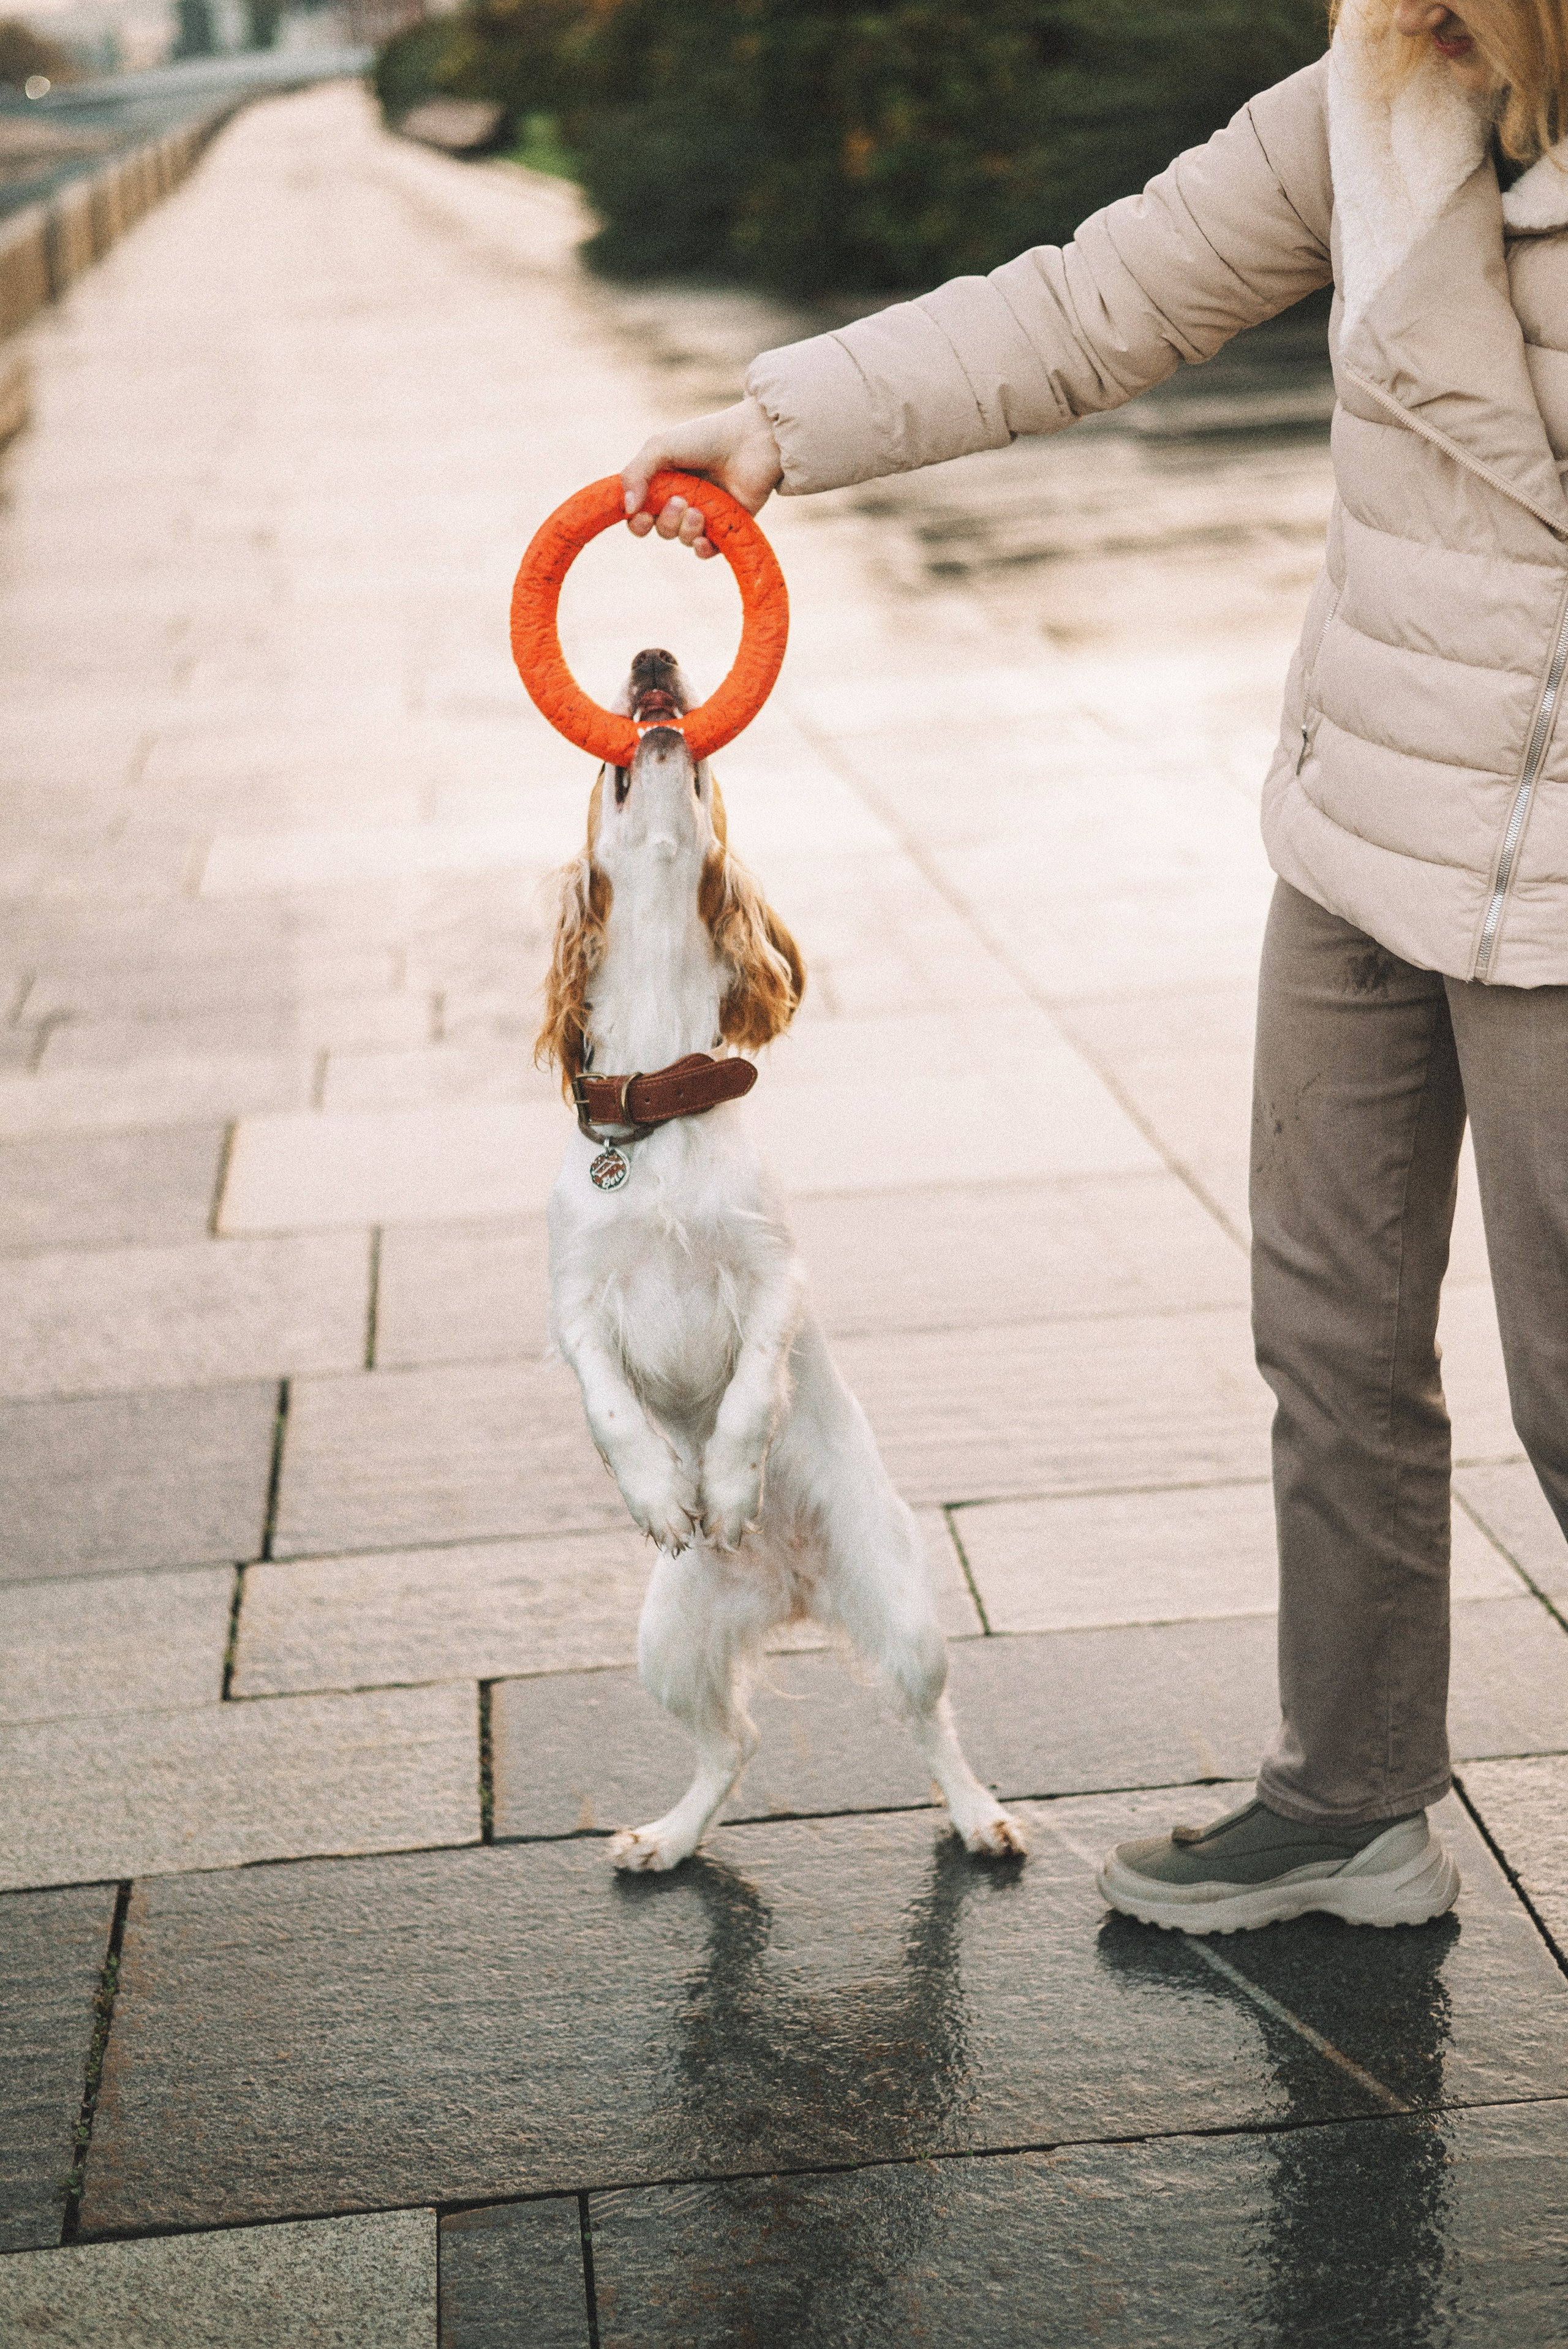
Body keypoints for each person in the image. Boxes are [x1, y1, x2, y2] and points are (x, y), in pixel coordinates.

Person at [617, 0, 1568, 1934]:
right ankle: (1354, 1802)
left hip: (1557, 877)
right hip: (1368, 814)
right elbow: (1093, 299)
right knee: (1330, 1341)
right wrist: (783, 426)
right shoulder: (1381, 98)